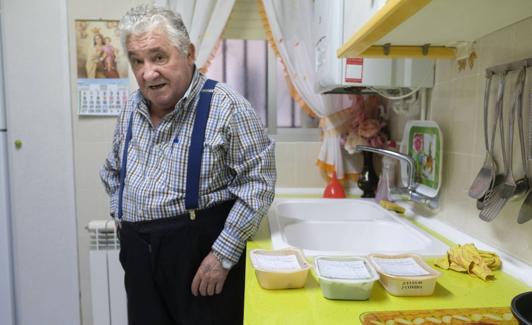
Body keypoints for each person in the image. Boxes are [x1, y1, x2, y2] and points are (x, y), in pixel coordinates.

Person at [100, 4, 276, 325]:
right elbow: (112, 170)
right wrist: (121, 215)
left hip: (198, 259)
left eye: (158, 57)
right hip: (138, 256)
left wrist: (223, 255)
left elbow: (258, 183)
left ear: (189, 53)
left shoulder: (228, 107)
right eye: (137, 61)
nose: (147, 72)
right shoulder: (130, 109)